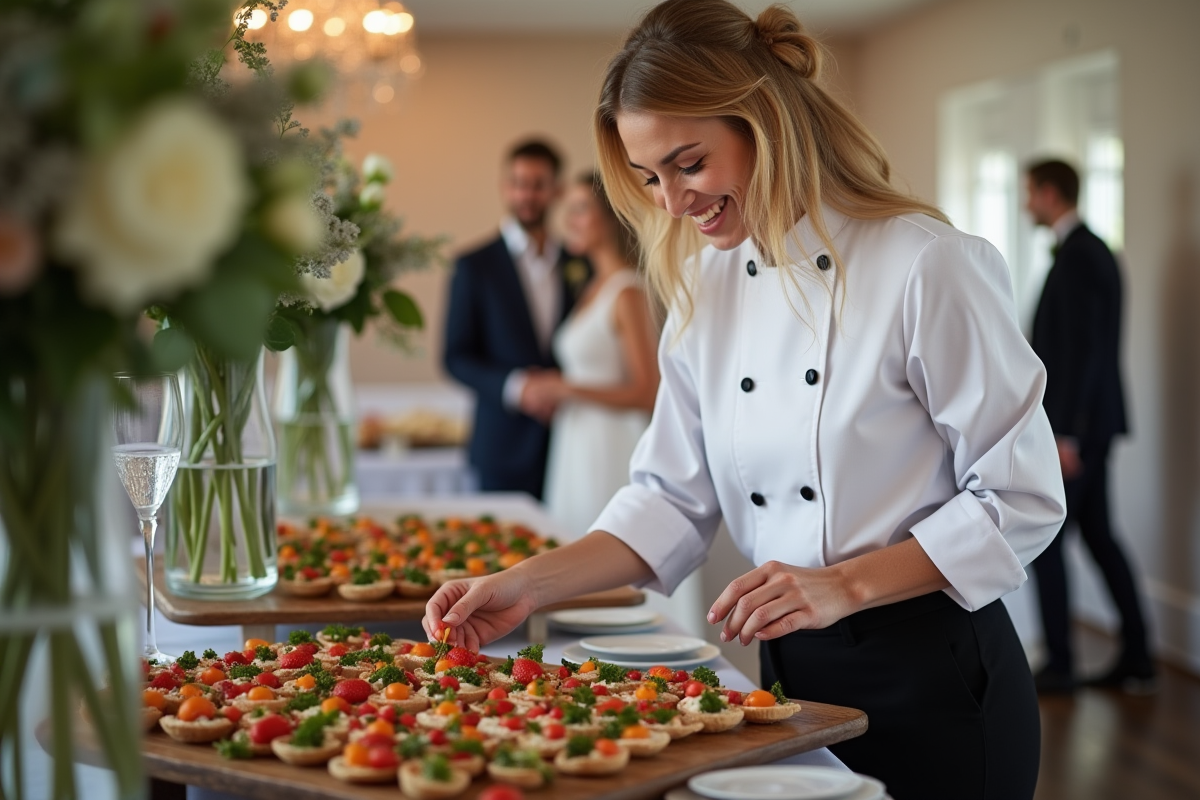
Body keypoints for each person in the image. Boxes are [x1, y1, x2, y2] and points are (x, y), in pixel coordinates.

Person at [425, 3, 1065, 798]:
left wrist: (845, 583)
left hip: (936, 672)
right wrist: (528, 584)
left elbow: (1022, 495)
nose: (671, 202)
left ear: (764, 121)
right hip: (790, 670)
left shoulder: (925, 264)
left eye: (689, 163)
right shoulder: (706, 285)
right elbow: (668, 501)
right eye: (650, 177)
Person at [1025, 158, 1155, 694]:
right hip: (1088, 425)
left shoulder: (1082, 256)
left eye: (1028, 192)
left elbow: (1085, 353)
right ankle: (1141, 660)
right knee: (1100, 537)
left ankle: (1060, 664)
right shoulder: (1085, 251)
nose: (1023, 202)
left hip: (1078, 430)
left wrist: (1067, 435)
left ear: (1050, 194)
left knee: (1047, 540)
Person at [443, 139, 587, 499]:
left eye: (538, 184)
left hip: (571, 440)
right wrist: (518, 388)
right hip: (500, 446)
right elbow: (455, 356)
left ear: (557, 190)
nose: (527, 194)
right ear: (504, 187)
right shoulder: (474, 266)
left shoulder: (581, 263)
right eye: (518, 183)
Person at [530, 172, 660, 539]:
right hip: (577, 440)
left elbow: (649, 391)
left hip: (611, 444)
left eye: (580, 209)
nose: (568, 221)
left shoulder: (628, 291)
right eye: (567, 210)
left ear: (612, 214)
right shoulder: (590, 286)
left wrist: (565, 389)